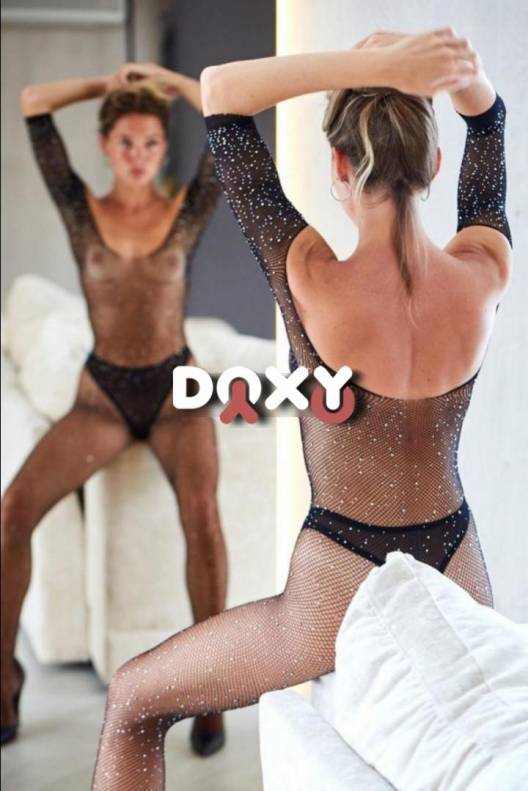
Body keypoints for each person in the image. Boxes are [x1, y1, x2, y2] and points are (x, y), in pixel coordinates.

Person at [90, 28, 512, 789]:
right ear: (432, 166)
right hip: (457, 565)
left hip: (336, 578)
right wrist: (437, 75)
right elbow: (490, 119)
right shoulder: (483, 272)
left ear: (340, 166)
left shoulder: (309, 273)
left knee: (133, 700)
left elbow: (221, 94)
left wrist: (374, 68)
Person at [1, 64, 228, 755]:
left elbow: (229, 113)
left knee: (203, 515)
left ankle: (210, 689)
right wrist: (106, 85)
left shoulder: (188, 208)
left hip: (177, 393)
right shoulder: (79, 207)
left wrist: (161, 79)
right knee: (12, 510)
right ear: (105, 146)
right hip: (101, 397)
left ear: (164, 148)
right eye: (126, 142)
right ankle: (3, 676)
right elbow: (33, 102)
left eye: (151, 143)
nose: (138, 156)